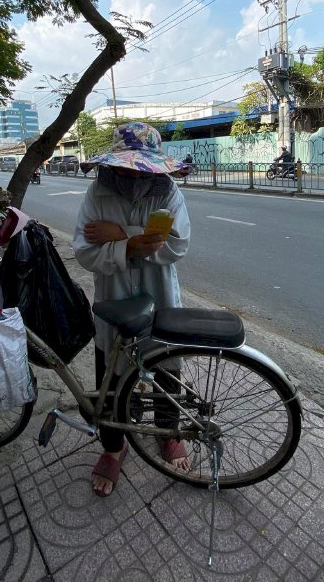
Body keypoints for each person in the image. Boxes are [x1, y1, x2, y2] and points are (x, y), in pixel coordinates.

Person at [73, 123, 191, 497]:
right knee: (111, 371)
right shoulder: (98, 191)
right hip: (115, 293)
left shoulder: (168, 189)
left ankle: (169, 432)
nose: (134, 171)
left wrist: (119, 233)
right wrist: (132, 244)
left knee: (166, 363)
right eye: (127, 164)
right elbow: (85, 249)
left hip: (159, 292)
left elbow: (177, 244)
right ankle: (114, 446)